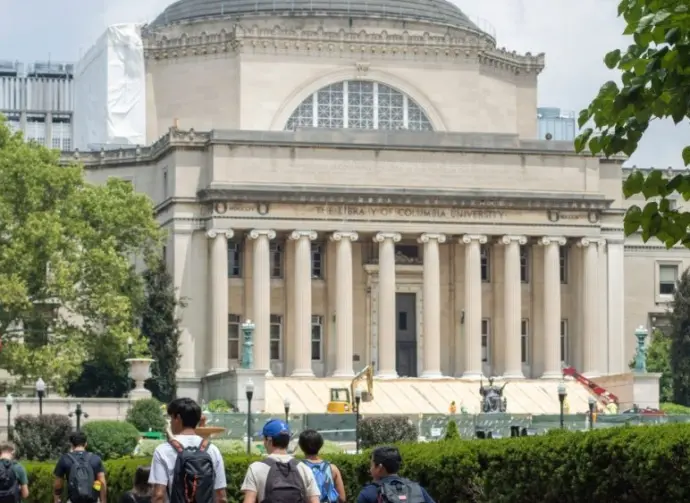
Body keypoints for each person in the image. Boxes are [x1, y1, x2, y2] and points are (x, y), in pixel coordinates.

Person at [149, 398, 227, 503]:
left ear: (178, 418)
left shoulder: (162, 451)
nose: (171, 422)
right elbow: (221, 496)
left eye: (171, 418)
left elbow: (159, 495)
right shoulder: (212, 450)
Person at [241, 419, 320, 503]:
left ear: (269, 441)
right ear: (288, 440)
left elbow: (249, 500)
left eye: (263, 439)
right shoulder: (304, 469)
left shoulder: (256, 468)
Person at [356, 446, 435, 503]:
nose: (370, 469)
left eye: (371, 465)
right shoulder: (417, 490)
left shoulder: (368, 494)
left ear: (379, 467)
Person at [53, 431, 106, 503]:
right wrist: (103, 500)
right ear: (86, 443)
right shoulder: (95, 458)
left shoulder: (65, 459)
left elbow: (58, 484)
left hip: (73, 500)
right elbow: (101, 482)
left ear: (71, 444)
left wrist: (57, 498)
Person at [298, 429, 345, 503]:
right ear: (321, 444)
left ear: (301, 446)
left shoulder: (298, 468)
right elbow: (342, 498)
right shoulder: (332, 468)